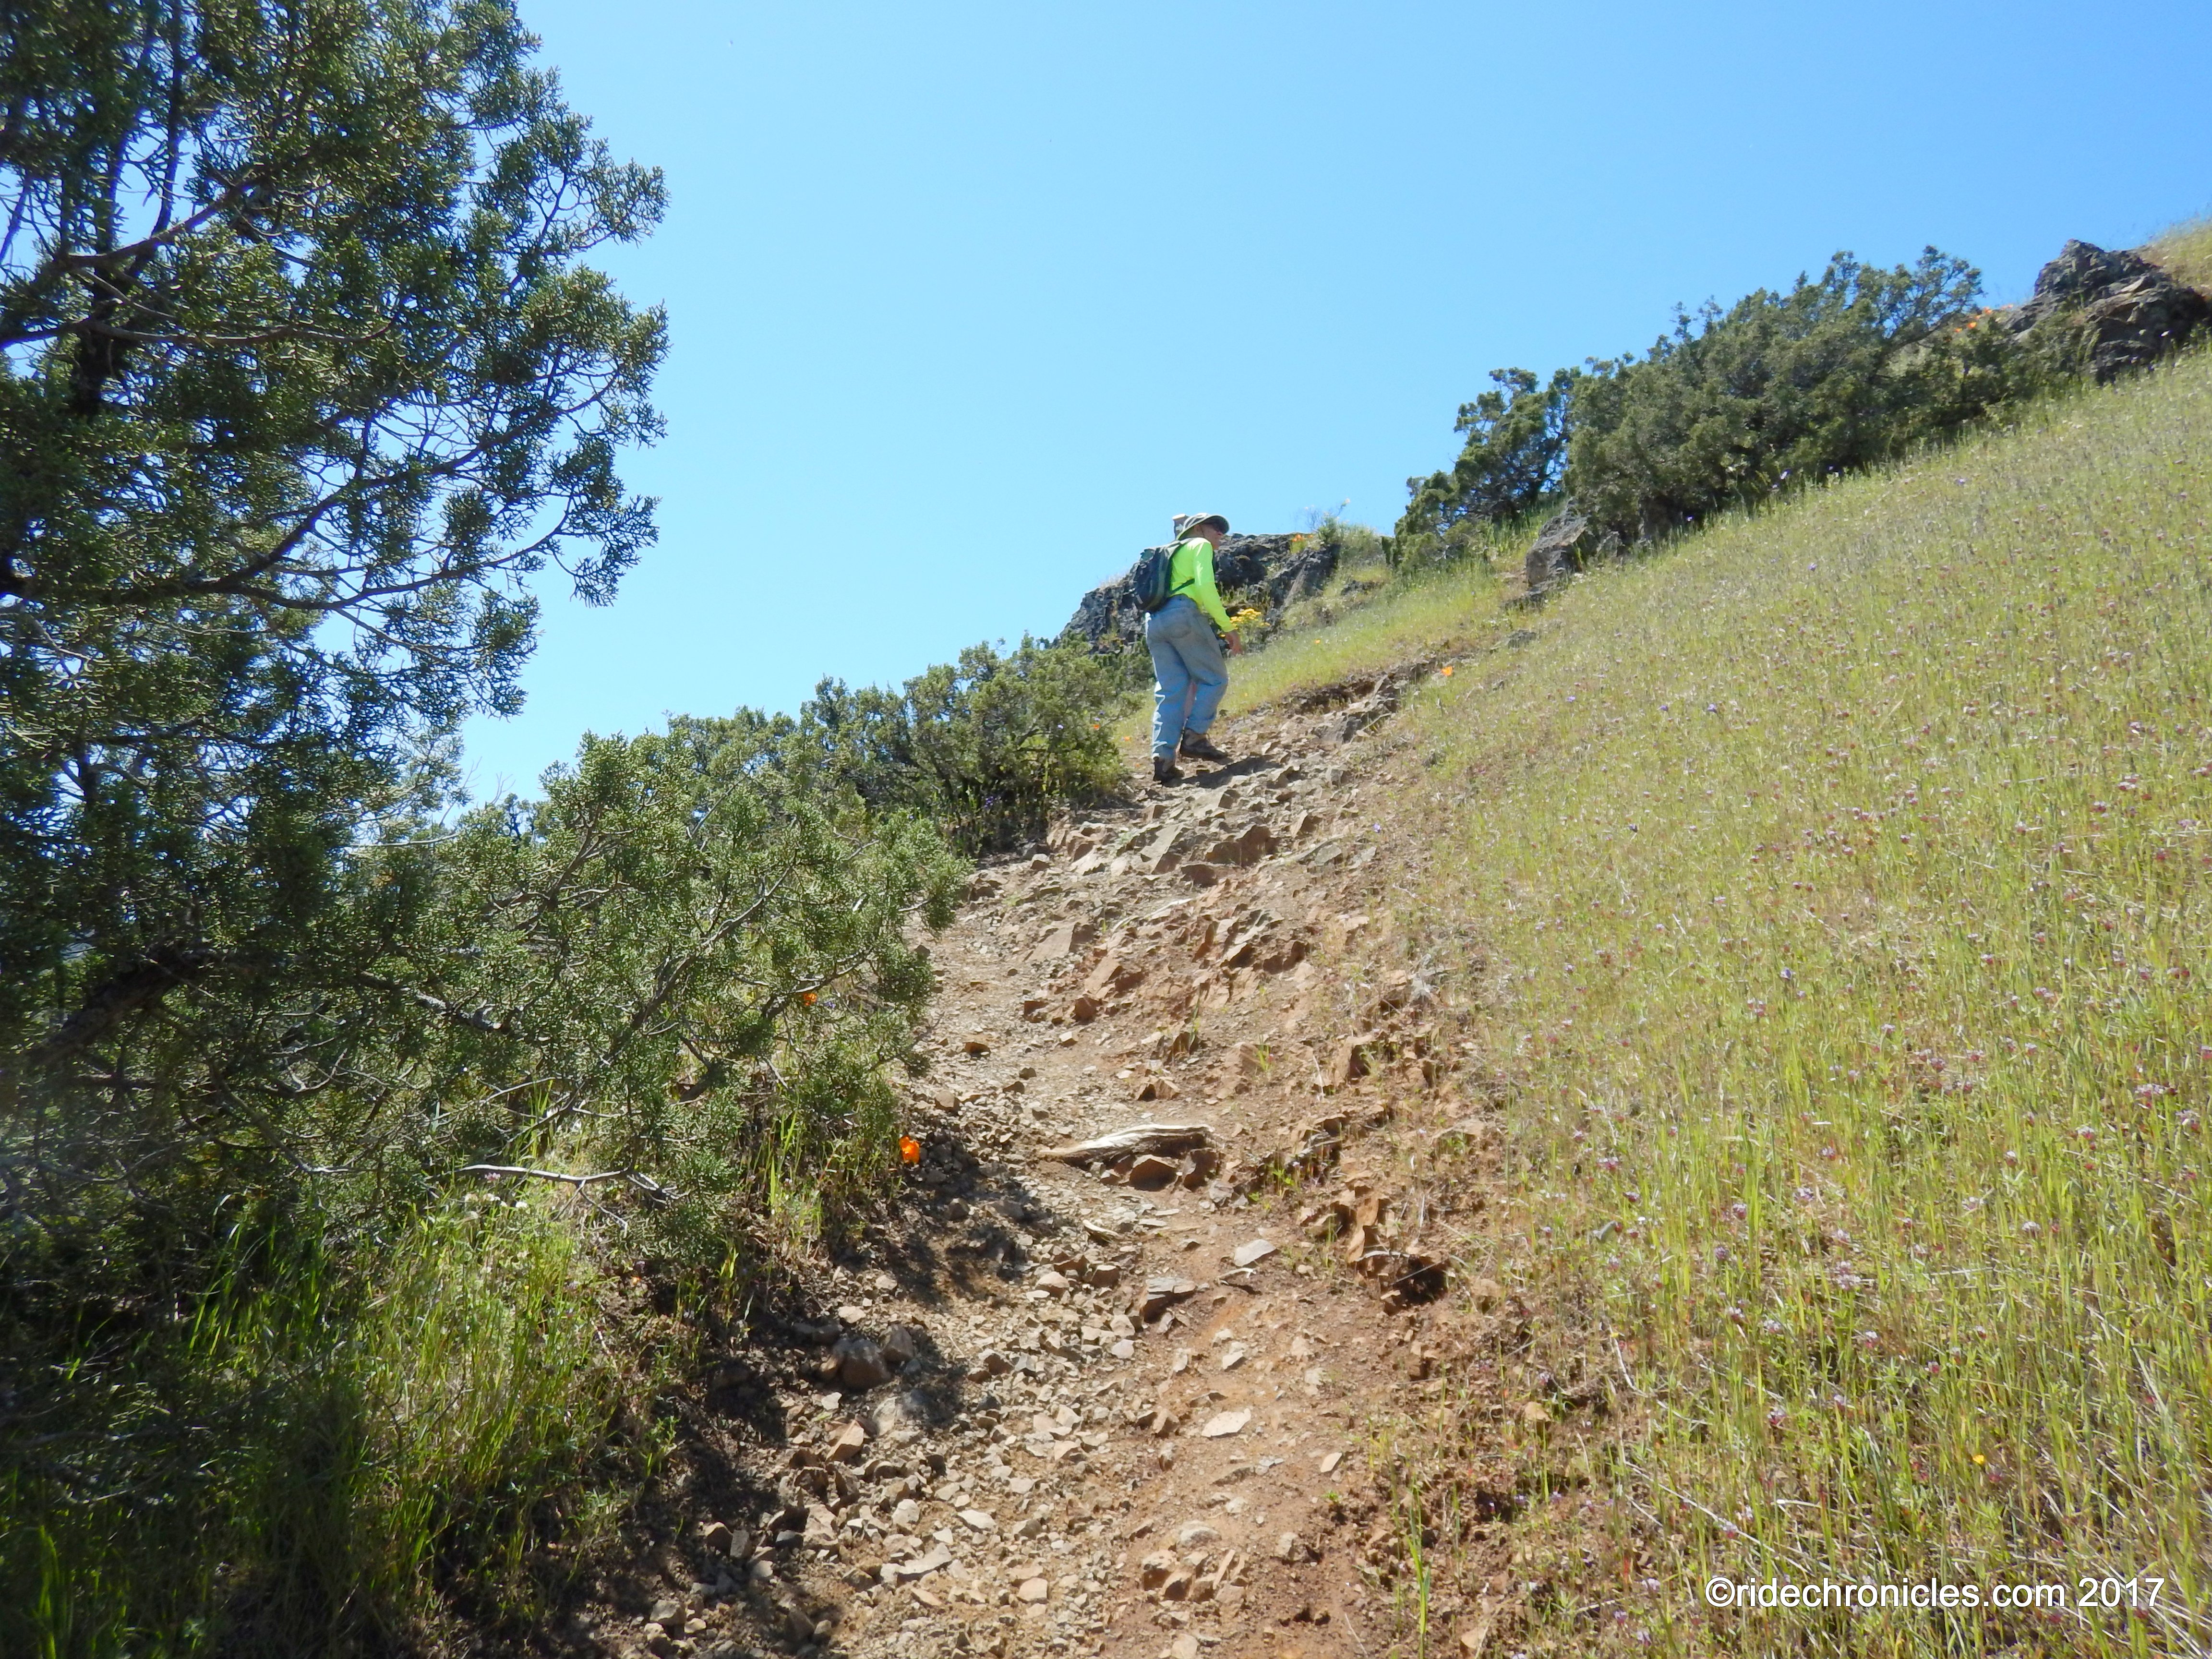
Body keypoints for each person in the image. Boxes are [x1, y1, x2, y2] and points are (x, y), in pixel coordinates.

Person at [1144, 511, 1240, 784]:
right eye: (1214, 527)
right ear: (1197, 530)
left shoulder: (1168, 554)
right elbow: (1206, 587)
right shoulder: (1199, 545)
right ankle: (1195, 737)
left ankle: (1163, 759)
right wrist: (1228, 628)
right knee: (1214, 679)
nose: (1220, 533)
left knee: (1171, 691)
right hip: (1183, 614)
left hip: (1154, 622)